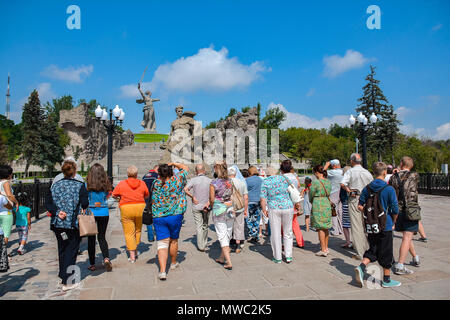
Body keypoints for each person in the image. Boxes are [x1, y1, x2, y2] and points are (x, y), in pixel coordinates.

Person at [354, 162, 401, 288]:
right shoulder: (389, 189)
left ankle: (361, 267)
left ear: (373, 173)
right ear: (385, 172)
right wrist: (394, 221)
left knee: (373, 249)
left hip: (372, 225)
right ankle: (386, 280)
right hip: (385, 224)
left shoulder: (367, 188)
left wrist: (370, 212)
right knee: (386, 252)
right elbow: (395, 209)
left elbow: (359, 206)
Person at [45, 161, 89, 292]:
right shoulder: (80, 185)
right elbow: (85, 203)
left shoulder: (55, 185)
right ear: (74, 171)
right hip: (72, 223)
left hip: (58, 223)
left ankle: (62, 275)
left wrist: (58, 212)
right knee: (71, 249)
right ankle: (67, 281)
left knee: (62, 248)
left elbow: (48, 203)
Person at [152, 163, 189, 280]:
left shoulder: (155, 183)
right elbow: (185, 168)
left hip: (158, 216)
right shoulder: (177, 180)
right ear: (170, 172)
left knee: (162, 243)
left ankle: (162, 271)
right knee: (173, 240)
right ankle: (173, 262)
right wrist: (174, 164)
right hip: (175, 215)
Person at [390, 156, 421, 275]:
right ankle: (400, 265)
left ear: (401, 164)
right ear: (411, 165)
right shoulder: (414, 175)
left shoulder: (393, 177)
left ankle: (415, 257)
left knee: (407, 235)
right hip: (411, 209)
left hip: (397, 209)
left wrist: (397, 169)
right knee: (407, 236)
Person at [260, 166, 298, 264]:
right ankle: (288, 255)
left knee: (276, 233)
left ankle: (278, 257)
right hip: (288, 206)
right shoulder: (284, 178)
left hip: (274, 207)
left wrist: (264, 210)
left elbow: (263, 198)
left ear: (267, 173)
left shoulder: (265, 181)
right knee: (288, 232)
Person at [112, 165, 149, 263]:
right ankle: (136, 247)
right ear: (136, 174)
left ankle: (132, 255)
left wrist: (120, 198)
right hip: (140, 207)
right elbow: (147, 194)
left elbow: (113, 194)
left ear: (127, 173)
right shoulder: (142, 183)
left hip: (126, 207)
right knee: (138, 229)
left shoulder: (122, 183)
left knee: (129, 232)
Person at [341, 153, 373, 260]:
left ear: (352, 161)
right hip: (367, 199)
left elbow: (343, 183)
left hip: (355, 198)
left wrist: (348, 190)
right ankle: (368, 247)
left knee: (356, 225)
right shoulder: (367, 172)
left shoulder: (350, 171)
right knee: (365, 225)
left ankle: (360, 252)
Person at [85, 164, 113, 272]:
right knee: (102, 237)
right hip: (103, 211)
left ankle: (92, 264)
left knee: (91, 239)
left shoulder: (86, 184)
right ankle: (106, 258)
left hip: (91, 212)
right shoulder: (106, 184)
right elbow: (108, 195)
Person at [210, 161, 235, 270]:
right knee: (228, 233)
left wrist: (212, 206)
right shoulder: (230, 181)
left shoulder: (213, 183)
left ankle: (228, 261)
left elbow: (211, 199)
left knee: (222, 235)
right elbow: (232, 194)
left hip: (219, 209)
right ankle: (221, 257)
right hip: (230, 208)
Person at [184, 164, 212, 252]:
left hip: (196, 205)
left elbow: (185, 189)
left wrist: (192, 197)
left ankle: (201, 246)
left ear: (196, 172)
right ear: (204, 171)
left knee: (198, 225)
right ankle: (205, 241)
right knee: (205, 224)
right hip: (206, 205)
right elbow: (213, 193)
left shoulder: (193, 180)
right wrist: (209, 201)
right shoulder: (210, 180)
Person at [310, 165, 333, 257]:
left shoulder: (315, 182)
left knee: (320, 227)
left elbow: (311, 193)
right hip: (326, 203)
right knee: (326, 227)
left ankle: (323, 249)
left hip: (318, 203)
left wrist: (311, 200)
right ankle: (326, 247)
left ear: (316, 172)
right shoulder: (328, 182)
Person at [281, 160, 304, 248]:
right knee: (295, 223)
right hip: (293, 202)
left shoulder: (281, 177)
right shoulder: (294, 177)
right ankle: (300, 242)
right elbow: (297, 186)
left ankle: (284, 243)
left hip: (283, 202)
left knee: (283, 224)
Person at [228, 166, 248, 253]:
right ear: (235, 173)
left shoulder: (225, 183)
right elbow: (246, 197)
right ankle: (238, 244)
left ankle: (227, 244)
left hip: (228, 207)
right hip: (240, 207)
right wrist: (246, 209)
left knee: (228, 226)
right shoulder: (242, 182)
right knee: (239, 225)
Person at [0, 165, 18, 252]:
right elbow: (10, 195)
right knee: (6, 234)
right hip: (6, 211)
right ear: (9, 174)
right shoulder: (6, 182)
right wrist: (16, 202)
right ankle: (3, 254)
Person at [324, 159, 344, 236]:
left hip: (333, 192)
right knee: (340, 210)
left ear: (334, 166)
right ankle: (341, 229)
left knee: (333, 211)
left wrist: (326, 165)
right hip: (341, 192)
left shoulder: (332, 172)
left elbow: (321, 172)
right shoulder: (342, 171)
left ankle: (335, 230)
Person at [245, 166, 263, 243]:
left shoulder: (247, 180)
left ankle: (252, 234)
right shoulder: (261, 180)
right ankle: (256, 234)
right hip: (259, 200)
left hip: (250, 201)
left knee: (249, 218)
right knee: (257, 218)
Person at [142, 165, 159, 242]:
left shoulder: (144, 176)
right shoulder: (157, 176)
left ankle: (150, 237)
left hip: (146, 199)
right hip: (154, 199)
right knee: (156, 217)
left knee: (148, 217)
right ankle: (159, 234)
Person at [0, 193, 13, 272]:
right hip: (6, 214)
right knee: (2, 246)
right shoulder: (1, 197)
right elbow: (9, 206)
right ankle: (3, 264)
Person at [340, 166, 352, 248]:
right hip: (354, 203)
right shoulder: (354, 180)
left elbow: (341, 195)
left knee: (345, 224)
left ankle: (348, 241)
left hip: (345, 203)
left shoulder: (344, 182)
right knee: (354, 224)